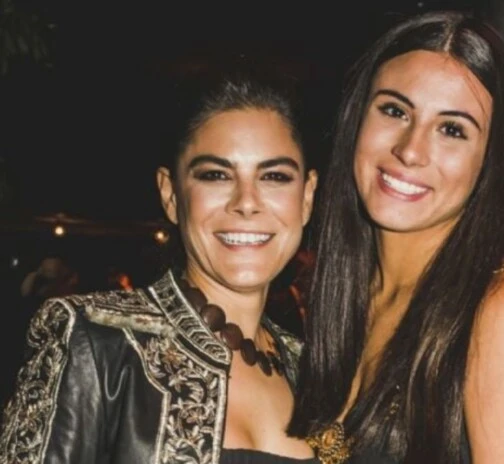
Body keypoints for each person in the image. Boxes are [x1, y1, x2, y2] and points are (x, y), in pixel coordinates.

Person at [288, 10, 504, 464]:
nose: (410, 150)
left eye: (452, 130)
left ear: (489, 163)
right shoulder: (340, 297)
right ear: (356, 118)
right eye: (394, 110)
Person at [0, 74, 319, 463]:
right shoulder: (95, 340)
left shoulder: (313, 372)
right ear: (171, 195)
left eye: (274, 177)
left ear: (306, 198)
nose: (246, 202)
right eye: (216, 175)